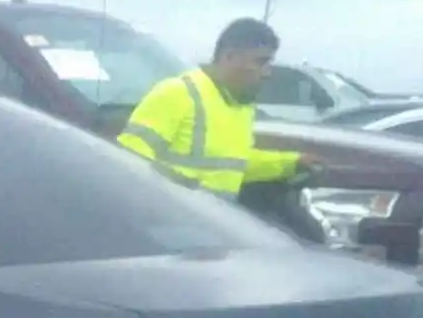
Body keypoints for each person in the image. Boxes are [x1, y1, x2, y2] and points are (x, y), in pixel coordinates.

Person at [117, 18, 318, 199]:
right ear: (229, 57)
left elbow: (235, 164)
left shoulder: (241, 108)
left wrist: (292, 163)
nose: (267, 73)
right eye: (261, 62)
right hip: (169, 228)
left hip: (215, 228)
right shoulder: (178, 94)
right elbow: (126, 167)